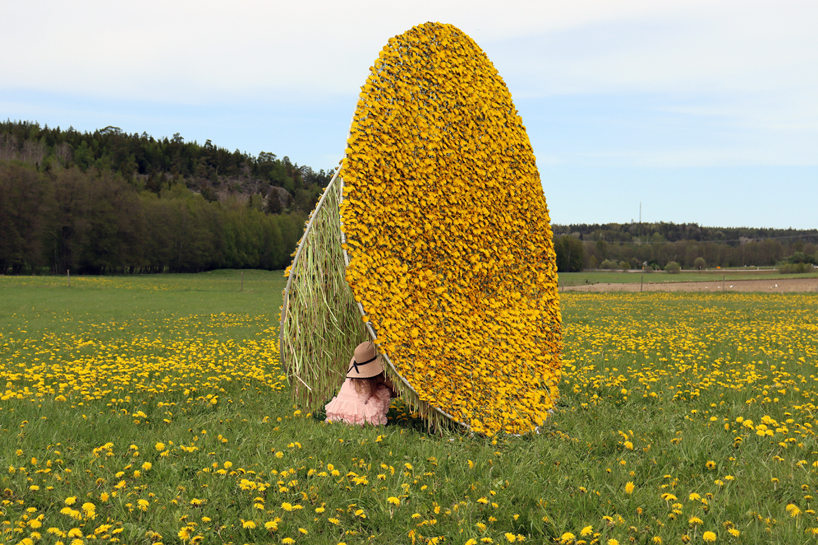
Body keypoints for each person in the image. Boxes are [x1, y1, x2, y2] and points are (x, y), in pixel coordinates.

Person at [325, 341, 396, 426]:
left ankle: (346, 421)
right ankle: (373, 418)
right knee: (383, 389)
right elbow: (396, 390)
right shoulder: (377, 377)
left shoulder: (351, 377)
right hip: (360, 417)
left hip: (338, 413)